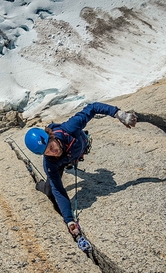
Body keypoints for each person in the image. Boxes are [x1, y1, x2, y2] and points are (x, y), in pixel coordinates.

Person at [24, 102, 137, 240]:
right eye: (47, 151)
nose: (54, 151)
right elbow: (59, 191)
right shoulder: (50, 163)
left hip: (76, 150)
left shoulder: (69, 128)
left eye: (51, 145)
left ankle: (77, 152)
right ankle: (39, 184)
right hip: (62, 162)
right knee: (50, 191)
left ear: (52, 136)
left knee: (69, 157)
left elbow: (93, 107)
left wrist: (119, 114)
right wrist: (69, 220)